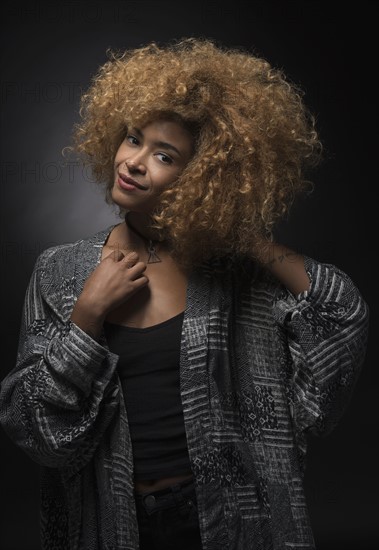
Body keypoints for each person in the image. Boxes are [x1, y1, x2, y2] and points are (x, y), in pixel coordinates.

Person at [0, 37, 369, 550]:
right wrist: (86, 316)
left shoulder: (236, 276)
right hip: (112, 522)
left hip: (228, 523)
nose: (133, 162)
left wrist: (244, 239)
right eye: (133, 138)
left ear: (202, 178)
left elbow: (340, 313)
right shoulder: (60, 271)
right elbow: (34, 427)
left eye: (164, 155)